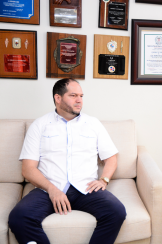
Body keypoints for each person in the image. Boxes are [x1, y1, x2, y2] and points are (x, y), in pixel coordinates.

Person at [8, 78, 126, 244]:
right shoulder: (40, 125)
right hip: (48, 189)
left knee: (117, 211)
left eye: (81, 96)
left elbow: (111, 158)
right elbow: (28, 169)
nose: (79, 100)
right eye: (73, 95)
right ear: (58, 98)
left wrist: (104, 179)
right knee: (18, 218)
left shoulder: (93, 124)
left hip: (86, 189)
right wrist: (52, 189)